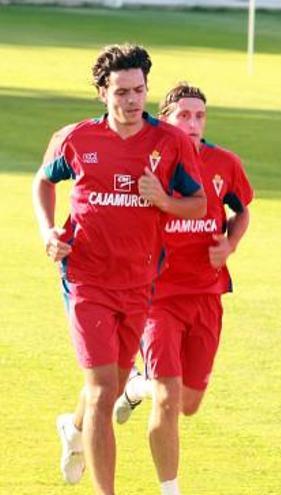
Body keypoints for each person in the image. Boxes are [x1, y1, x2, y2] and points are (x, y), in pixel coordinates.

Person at [33, 44, 206, 494]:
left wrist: (162, 200)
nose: (132, 100)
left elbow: (198, 204)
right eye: (122, 92)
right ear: (102, 94)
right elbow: (44, 180)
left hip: (139, 282)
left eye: (139, 90)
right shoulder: (77, 138)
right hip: (85, 279)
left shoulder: (170, 143)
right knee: (101, 388)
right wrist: (48, 231)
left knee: (109, 390)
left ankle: (73, 430)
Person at [111, 82, 254, 495]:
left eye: (200, 116)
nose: (193, 123)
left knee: (188, 403)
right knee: (168, 398)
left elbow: (241, 210)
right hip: (156, 298)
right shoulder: (149, 162)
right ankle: (170, 489)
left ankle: (136, 386)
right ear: (167, 119)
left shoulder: (224, 163)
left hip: (206, 295)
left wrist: (230, 244)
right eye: (184, 115)